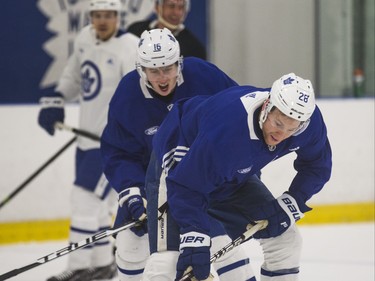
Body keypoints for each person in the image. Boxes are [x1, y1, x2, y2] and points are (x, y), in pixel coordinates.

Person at [101, 28, 256, 281]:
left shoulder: (205, 77)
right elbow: (119, 151)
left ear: (179, 63)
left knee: (223, 248)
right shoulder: (128, 95)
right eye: (154, 70)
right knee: (129, 246)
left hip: (203, 184)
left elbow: (242, 116)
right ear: (141, 69)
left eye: (168, 69)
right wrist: (131, 191)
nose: (162, 78)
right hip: (151, 187)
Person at [144, 73, 332, 281]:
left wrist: (293, 201)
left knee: (285, 239)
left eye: (292, 128)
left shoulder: (308, 123)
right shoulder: (227, 130)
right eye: (278, 124)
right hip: (182, 162)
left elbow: (317, 165)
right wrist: (194, 234)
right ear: (267, 106)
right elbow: (186, 185)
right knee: (167, 264)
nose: (282, 135)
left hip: (232, 173)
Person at [37, 0, 139, 280]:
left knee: (84, 201)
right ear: (91, 16)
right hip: (85, 141)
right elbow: (73, 78)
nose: (103, 20)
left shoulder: (130, 47)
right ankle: (102, 263)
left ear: (118, 17)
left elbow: (134, 98)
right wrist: (55, 100)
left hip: (110, 146)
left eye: (109, 15)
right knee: (95, 207)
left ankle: (80, 267)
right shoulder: (84, 39)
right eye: (97, 15)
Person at [127, 0, 206, 60]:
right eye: (171, 6)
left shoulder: (194, 48)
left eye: (181, 7)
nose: (176, 12)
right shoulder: (135, 31)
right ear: (157, 7)